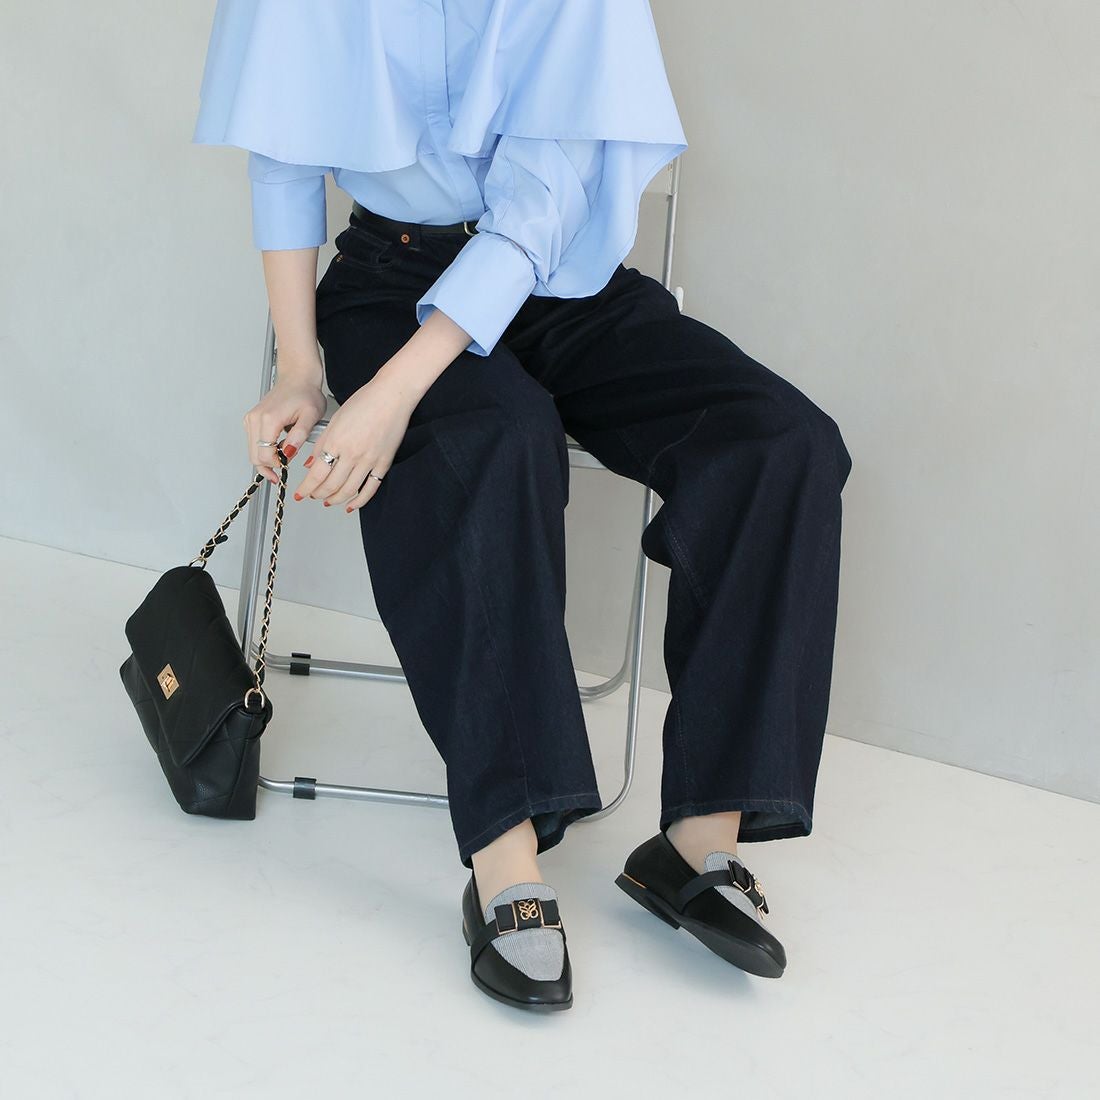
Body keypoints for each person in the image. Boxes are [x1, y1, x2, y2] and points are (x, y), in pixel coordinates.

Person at [193, 0, 853, 1012]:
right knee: (494, 440)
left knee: (779, 446)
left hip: (559, 276)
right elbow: (282, 156)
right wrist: (299, 368)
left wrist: (391, 396)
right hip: (389, 275)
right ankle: (504, 861)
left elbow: (540, 205)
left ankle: (697, 841)